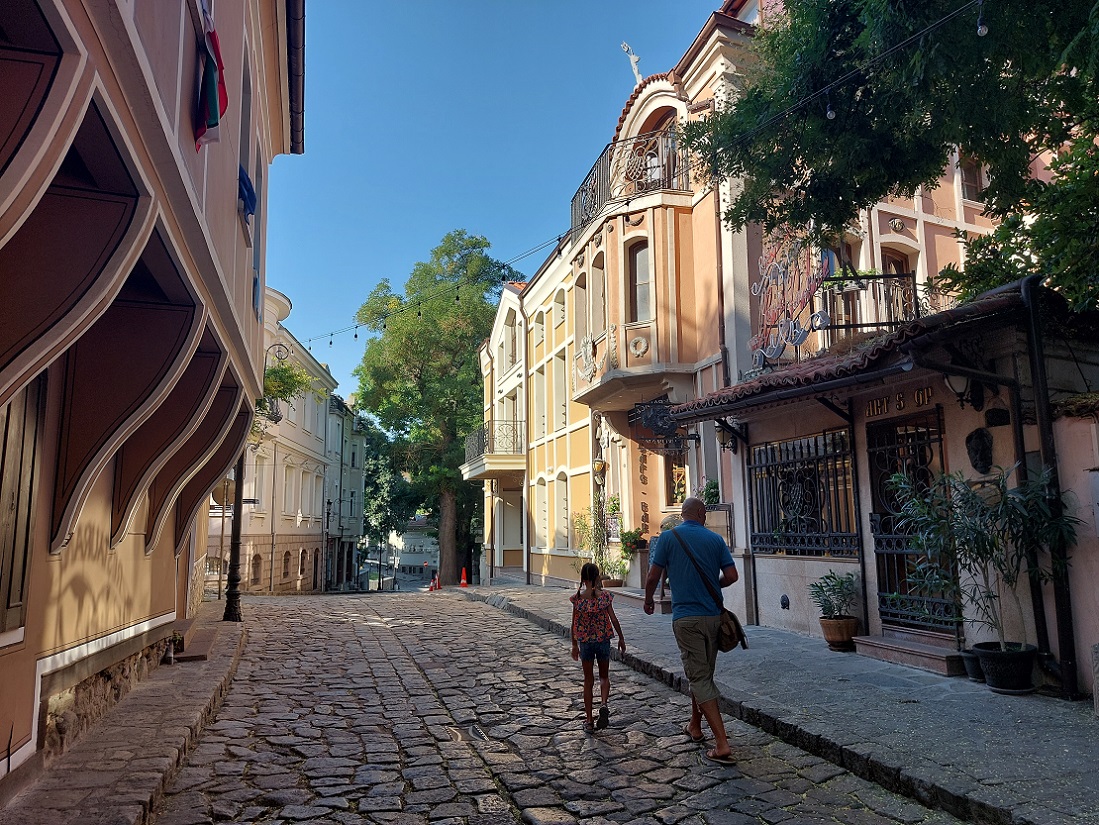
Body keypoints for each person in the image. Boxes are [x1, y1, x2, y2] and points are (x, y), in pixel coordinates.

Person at [643, 497, 739, 765]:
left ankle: (721, 744)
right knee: (704, 674)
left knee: (699, 678)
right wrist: (713, 585)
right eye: (705, 513)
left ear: (683, 514)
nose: (706, 517)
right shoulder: (715, 540)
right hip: (713, 617)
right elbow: (732, 577)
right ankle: (695, 726)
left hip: (686, 619)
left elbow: (652, 576)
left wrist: (649, 599)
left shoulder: (668, 538)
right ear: (700, 514)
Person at [570, 562, 626, 733]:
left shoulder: (578, 599)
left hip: (586, 643)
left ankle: (588, 720)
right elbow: (614, 619)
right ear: (597, 577)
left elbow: (573, 624)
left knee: (588, 680)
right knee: (604, 676)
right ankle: (603, 703)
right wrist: (621, 638)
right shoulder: (605, 597)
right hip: (603, 641)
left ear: (582, 578)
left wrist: (574, 645)